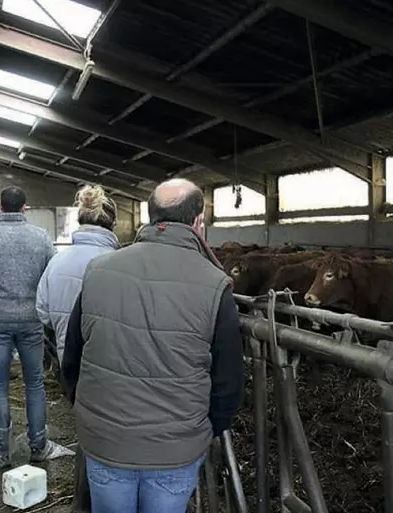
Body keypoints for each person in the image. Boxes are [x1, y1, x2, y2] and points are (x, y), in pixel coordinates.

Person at [61, 178, 245, 513]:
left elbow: (71, 356)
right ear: (198, 222)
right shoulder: (215, 284)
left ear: (150, 216)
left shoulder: (99, 270)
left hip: (105, 441)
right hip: (174, 450)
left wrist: (88, 413)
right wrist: (204, 429)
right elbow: (228, 381)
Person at [0, 186, 67, 471]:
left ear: (0, 208)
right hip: (30, 320)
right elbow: (49, 277)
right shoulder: (41, 237)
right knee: (34, 382)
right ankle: (39, 445)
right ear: (25, 208)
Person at [36, 185, 120, 364]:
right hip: (110, 361)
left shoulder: (57, 262)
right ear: (113, 223)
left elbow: (43, 311)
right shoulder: (120, 263)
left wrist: (63, 328)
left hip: (67, 357)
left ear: (80, 221)